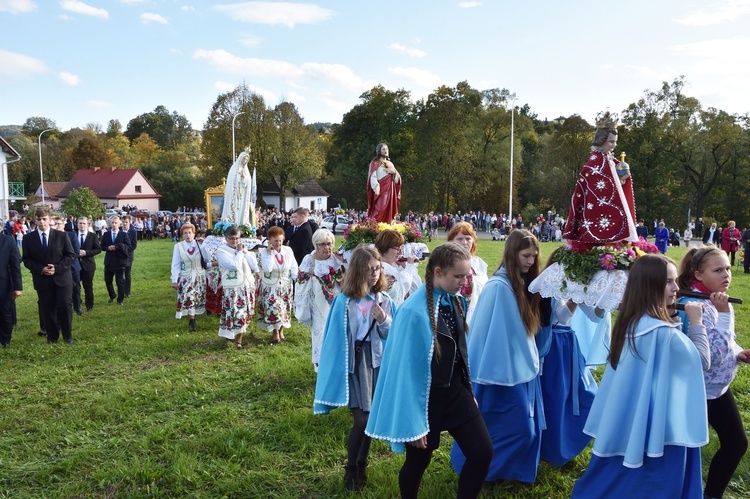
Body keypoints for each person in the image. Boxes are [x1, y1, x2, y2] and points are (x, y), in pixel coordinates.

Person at [572, 254, 708, 498]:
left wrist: (673, 317)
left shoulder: (632, 322)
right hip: (661, 424)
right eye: (669, 282)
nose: (676, 288)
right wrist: (697, 324)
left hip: (629, 416)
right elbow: (701, 362)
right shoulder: (663, 334)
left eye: (675, 280)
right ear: (649, 285)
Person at [365, 243, 493, 499]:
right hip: (425, 401)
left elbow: (460, 354)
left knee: (482, 452)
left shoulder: (456, 301)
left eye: (465, 275)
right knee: (419, 461)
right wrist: (414, 421)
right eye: (458, 276)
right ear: (438, 272)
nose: (463, 281)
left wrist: (468, 390)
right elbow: (406, 372)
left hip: (456, 393)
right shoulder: (413, 312)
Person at [450, 229, 548, 483]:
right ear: (513, 254)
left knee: (521, 430)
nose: (529, 261)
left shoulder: (519, 284)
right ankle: (486, 472)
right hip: (495, 374)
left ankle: (503, 472)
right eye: (526, 255)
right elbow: (495, 334)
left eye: (533, 256)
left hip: (514, 371)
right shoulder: (499, 287)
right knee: (503, 428)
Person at [313, 246, 394, 492]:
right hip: (354, 363)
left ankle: (362, 465)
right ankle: (351, 469)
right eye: (369, 269)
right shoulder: (344, 302)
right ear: (358, 271)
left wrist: (383, 320)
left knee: (370, 420)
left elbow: (393, 335)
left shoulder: (384, 300)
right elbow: (334, 338)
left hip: (375, 362)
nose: (374, 274)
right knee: (362, 419)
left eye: (378, 269)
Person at [677, 246, 750, 499]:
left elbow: (724, 343)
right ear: (698, 275)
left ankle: (710, 496)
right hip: (699, 390)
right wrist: (725, 316)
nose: (727, 274)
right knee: (688, 447)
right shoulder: (698, 306)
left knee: (736, 443)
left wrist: (738, 351)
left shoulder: (714, 300)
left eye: (728, 268)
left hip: (718, 389)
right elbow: (711, 357)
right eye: (718, 270)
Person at [563, 116, 638, 244]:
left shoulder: (609, 159)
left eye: (615, 142)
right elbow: (596, 184)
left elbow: (613, 181)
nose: (614, 145)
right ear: (601, 140)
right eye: (611, 142)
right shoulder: (596, 161)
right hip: (598, 206)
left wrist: (623, 177)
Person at [22, 207, 76, 344]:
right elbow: (27, 260)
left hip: (62, 278)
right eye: (39, 219)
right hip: (42, 279)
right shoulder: (28, 238)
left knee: (65, 305)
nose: (42, 222)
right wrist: (41, 269)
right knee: (48, 308)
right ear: (35, 220)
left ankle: (67, 336)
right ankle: (52, 337)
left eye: (44, 219)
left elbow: (70, 255)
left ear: (50, 220)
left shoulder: (61, 236)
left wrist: (56, 268)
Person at [294, 228, 345, 371]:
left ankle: (336, 365)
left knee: (337, 332)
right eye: (322, 244)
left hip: (336, 303)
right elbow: (301, 282)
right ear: (315, 245)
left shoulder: (337, 260)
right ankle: (321, 366)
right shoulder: (309, 260)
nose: (326, 248)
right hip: (317, 303)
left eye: (329, 244)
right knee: (320, 333)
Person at [215, 225, 258, 349]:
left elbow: (254, 265)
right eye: (232, 239)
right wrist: (239, 253)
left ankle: (239, 339)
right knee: (234, 312)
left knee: (244, 313)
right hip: (232, 287)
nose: (235, 241)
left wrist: (245, 252)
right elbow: (234, 266)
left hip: (246, 285)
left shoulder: (241, 249)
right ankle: (230, 335)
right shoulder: (221, 251)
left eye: (237, 238)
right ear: (225, 238)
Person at [258, 226, 298, 343]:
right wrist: (270, 254)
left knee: (284, 308)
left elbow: (293, 266)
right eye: (276, 240)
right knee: (274, 308)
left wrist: (298, 279)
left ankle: (281, 330)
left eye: (280, 240)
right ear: (269, 239)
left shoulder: (288, 250)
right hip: (271, 286)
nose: (279, 243)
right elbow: (267, 268)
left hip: (285, 284)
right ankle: (275, 332)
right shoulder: (264, 252)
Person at [447, 222, 488, 323]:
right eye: (460, 239)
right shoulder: (445, 263)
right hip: (452, 315)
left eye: (468, 238)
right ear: (451, 241)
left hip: (476, 317)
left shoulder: (479, 264)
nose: (465, 242)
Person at [170, 223, 206, 331]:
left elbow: (207, 258)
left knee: (196, 298)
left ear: (194, 234)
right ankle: (192, 320)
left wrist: (203, 245)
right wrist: (174, 279)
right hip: (186, 276)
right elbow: (175, 263)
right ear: (182, 235)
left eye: (190, 232)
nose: (188, 235)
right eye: (185, 233)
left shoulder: (200, 245)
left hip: (199, 276)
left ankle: (193, 317)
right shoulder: (178, 246)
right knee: (189, 297)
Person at [373, 229, 420, 307]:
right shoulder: (382, 269)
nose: (400, 252)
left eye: (401, 248)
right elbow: (400, 291)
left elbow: (417, 288)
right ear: (385, 248)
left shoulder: (394, 266)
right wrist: (409, 266)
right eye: (397, 248)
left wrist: (404, 265)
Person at [366, 143, 401, 224]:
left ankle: (388, 225)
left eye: (387, 149)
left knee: (390, 209)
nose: (386, 151)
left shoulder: (390, 164)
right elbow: (372, 176)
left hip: (390, 191)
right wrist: (376, 186)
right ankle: (375, 226)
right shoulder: (374, 163)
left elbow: (398, 179)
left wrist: (394, 172)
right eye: (383, 149)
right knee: (380, 208)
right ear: (379, 151)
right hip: (381, 190)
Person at [221, 151, 256, 228]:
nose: (245, 161)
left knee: (241, 209)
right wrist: (239, 178)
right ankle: (232, 222)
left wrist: (244, 178)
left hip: (242, 195)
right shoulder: (234, 169)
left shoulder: (246, 170)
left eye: (246, 160)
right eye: (244, 159)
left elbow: (248, 182)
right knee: (234, 208)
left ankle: (240, 222)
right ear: (241, 159)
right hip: (235, 193)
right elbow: (232, 181)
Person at [101, 216, 131, 306]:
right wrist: (108, 248)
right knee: (108, 281)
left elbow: (128, 246)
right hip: (109, 262)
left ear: (119, 224)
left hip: (120, 261)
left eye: (115, 223)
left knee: (120, 281)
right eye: (112, 223)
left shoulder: (123, 235)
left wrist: (117, 247)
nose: (113, 224)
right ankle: (112, 295)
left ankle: (120, 299)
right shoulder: (106, 234)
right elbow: (101, 246)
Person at [0, 232, 22, 348]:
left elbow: (15, 265)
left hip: (3, 284)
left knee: (5, 312)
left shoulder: (8, 241)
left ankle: (5, 341)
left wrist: (17, 287)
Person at [76, 216, 101, 313]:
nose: (82, 225)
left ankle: (89, 306)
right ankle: (77, 305)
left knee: (88, 286)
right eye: (80, 223)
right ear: (77, 224)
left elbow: (98, 249)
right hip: (76, 265)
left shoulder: (93, 236)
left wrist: (86, 253)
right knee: (75, 286)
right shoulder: (73, 235)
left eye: (84, 223)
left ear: (88, 225)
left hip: (88, 265)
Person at [121, 215, 138, 299]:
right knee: (120, 275)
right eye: (123, 222)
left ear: (129, 222)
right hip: (119, 257)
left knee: (127, 274)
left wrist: (125, 251)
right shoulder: (119, 231)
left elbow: (134, 245)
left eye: (126, 222)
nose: (124, 224)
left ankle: (127, 292)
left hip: (128, 256)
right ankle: (121, 290)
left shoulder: (133, 232)